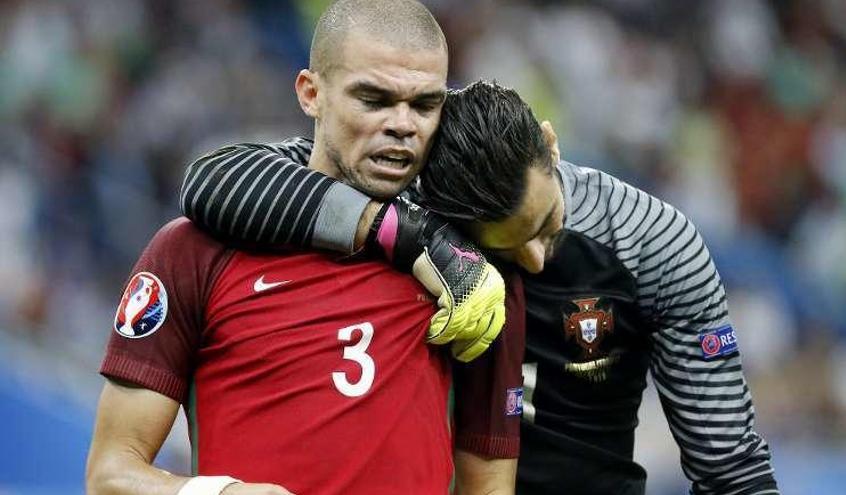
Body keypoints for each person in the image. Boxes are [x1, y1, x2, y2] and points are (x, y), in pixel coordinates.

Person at [179, 80, 780, 494]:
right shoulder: (399, 197)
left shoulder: (652, 240)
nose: (537, 262)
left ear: (549, 143)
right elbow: (213, 179)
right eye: (503, 250)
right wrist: (420, 240)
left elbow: (728, 463)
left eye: (547, 226)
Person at [86, 2, 523, 494]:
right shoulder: (194, 251)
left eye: (424, 105)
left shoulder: (469, 272)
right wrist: (224, 494)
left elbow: (488, 486)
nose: (403, 124)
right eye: (374, 99)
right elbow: (110, 474)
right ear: (311, 94)